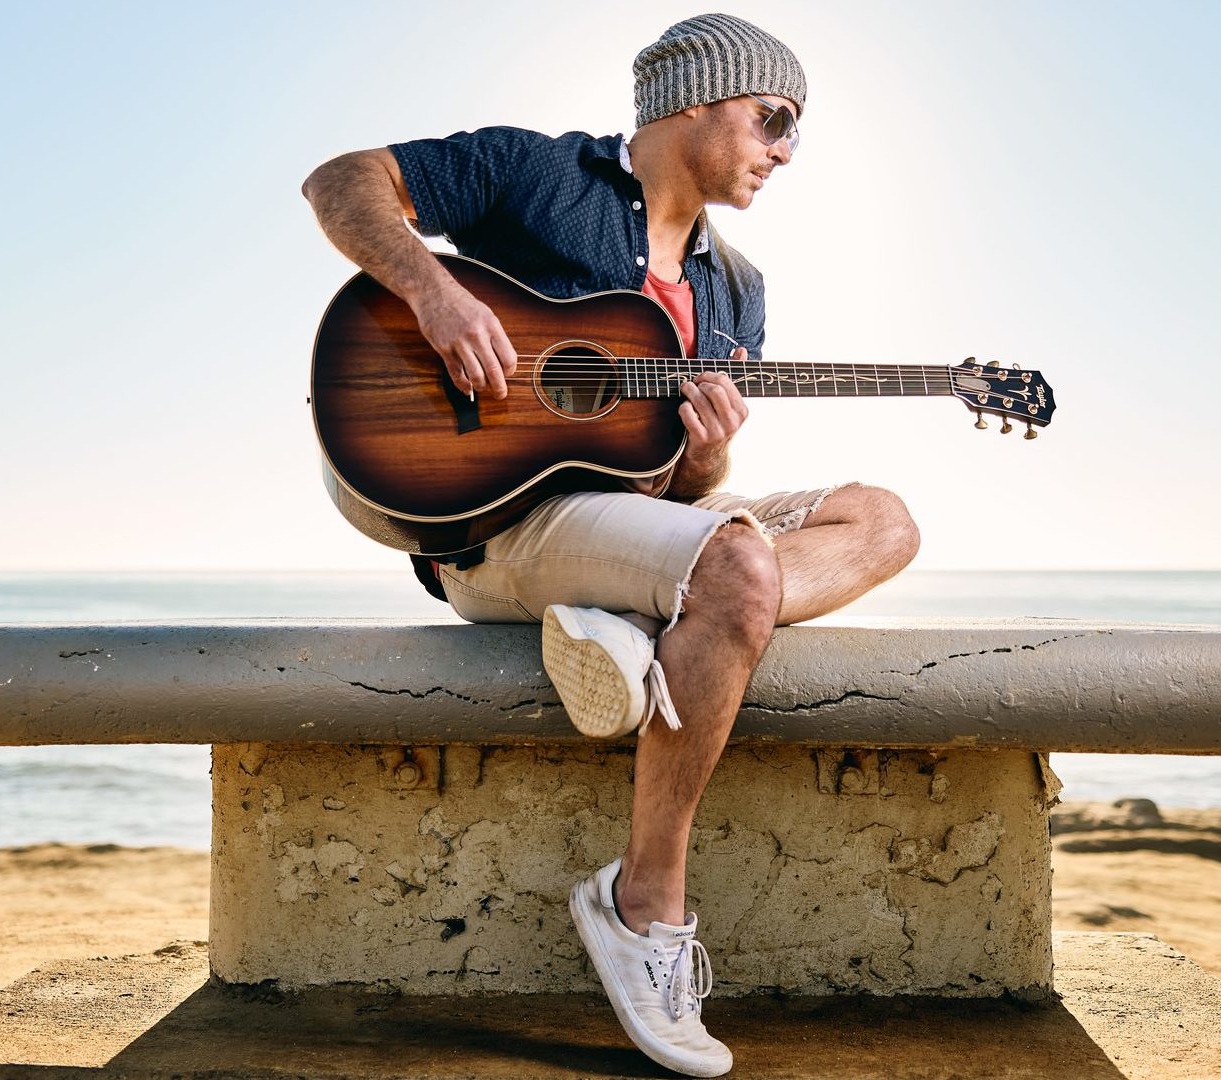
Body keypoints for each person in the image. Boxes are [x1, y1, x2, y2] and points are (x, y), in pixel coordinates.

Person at [302, 14, 918, 1077]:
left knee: (883, 522)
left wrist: (706, 457)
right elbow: (339, 182)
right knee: (731, 566)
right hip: (501, 530)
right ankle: (644, 907)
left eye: (796, 132)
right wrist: (435, 292)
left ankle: (639, 624)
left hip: (631, 527)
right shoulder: (537, 176)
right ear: (698, 99)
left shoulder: (738, 291)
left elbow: (680, 490)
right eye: (774, 119)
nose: (784, 150)